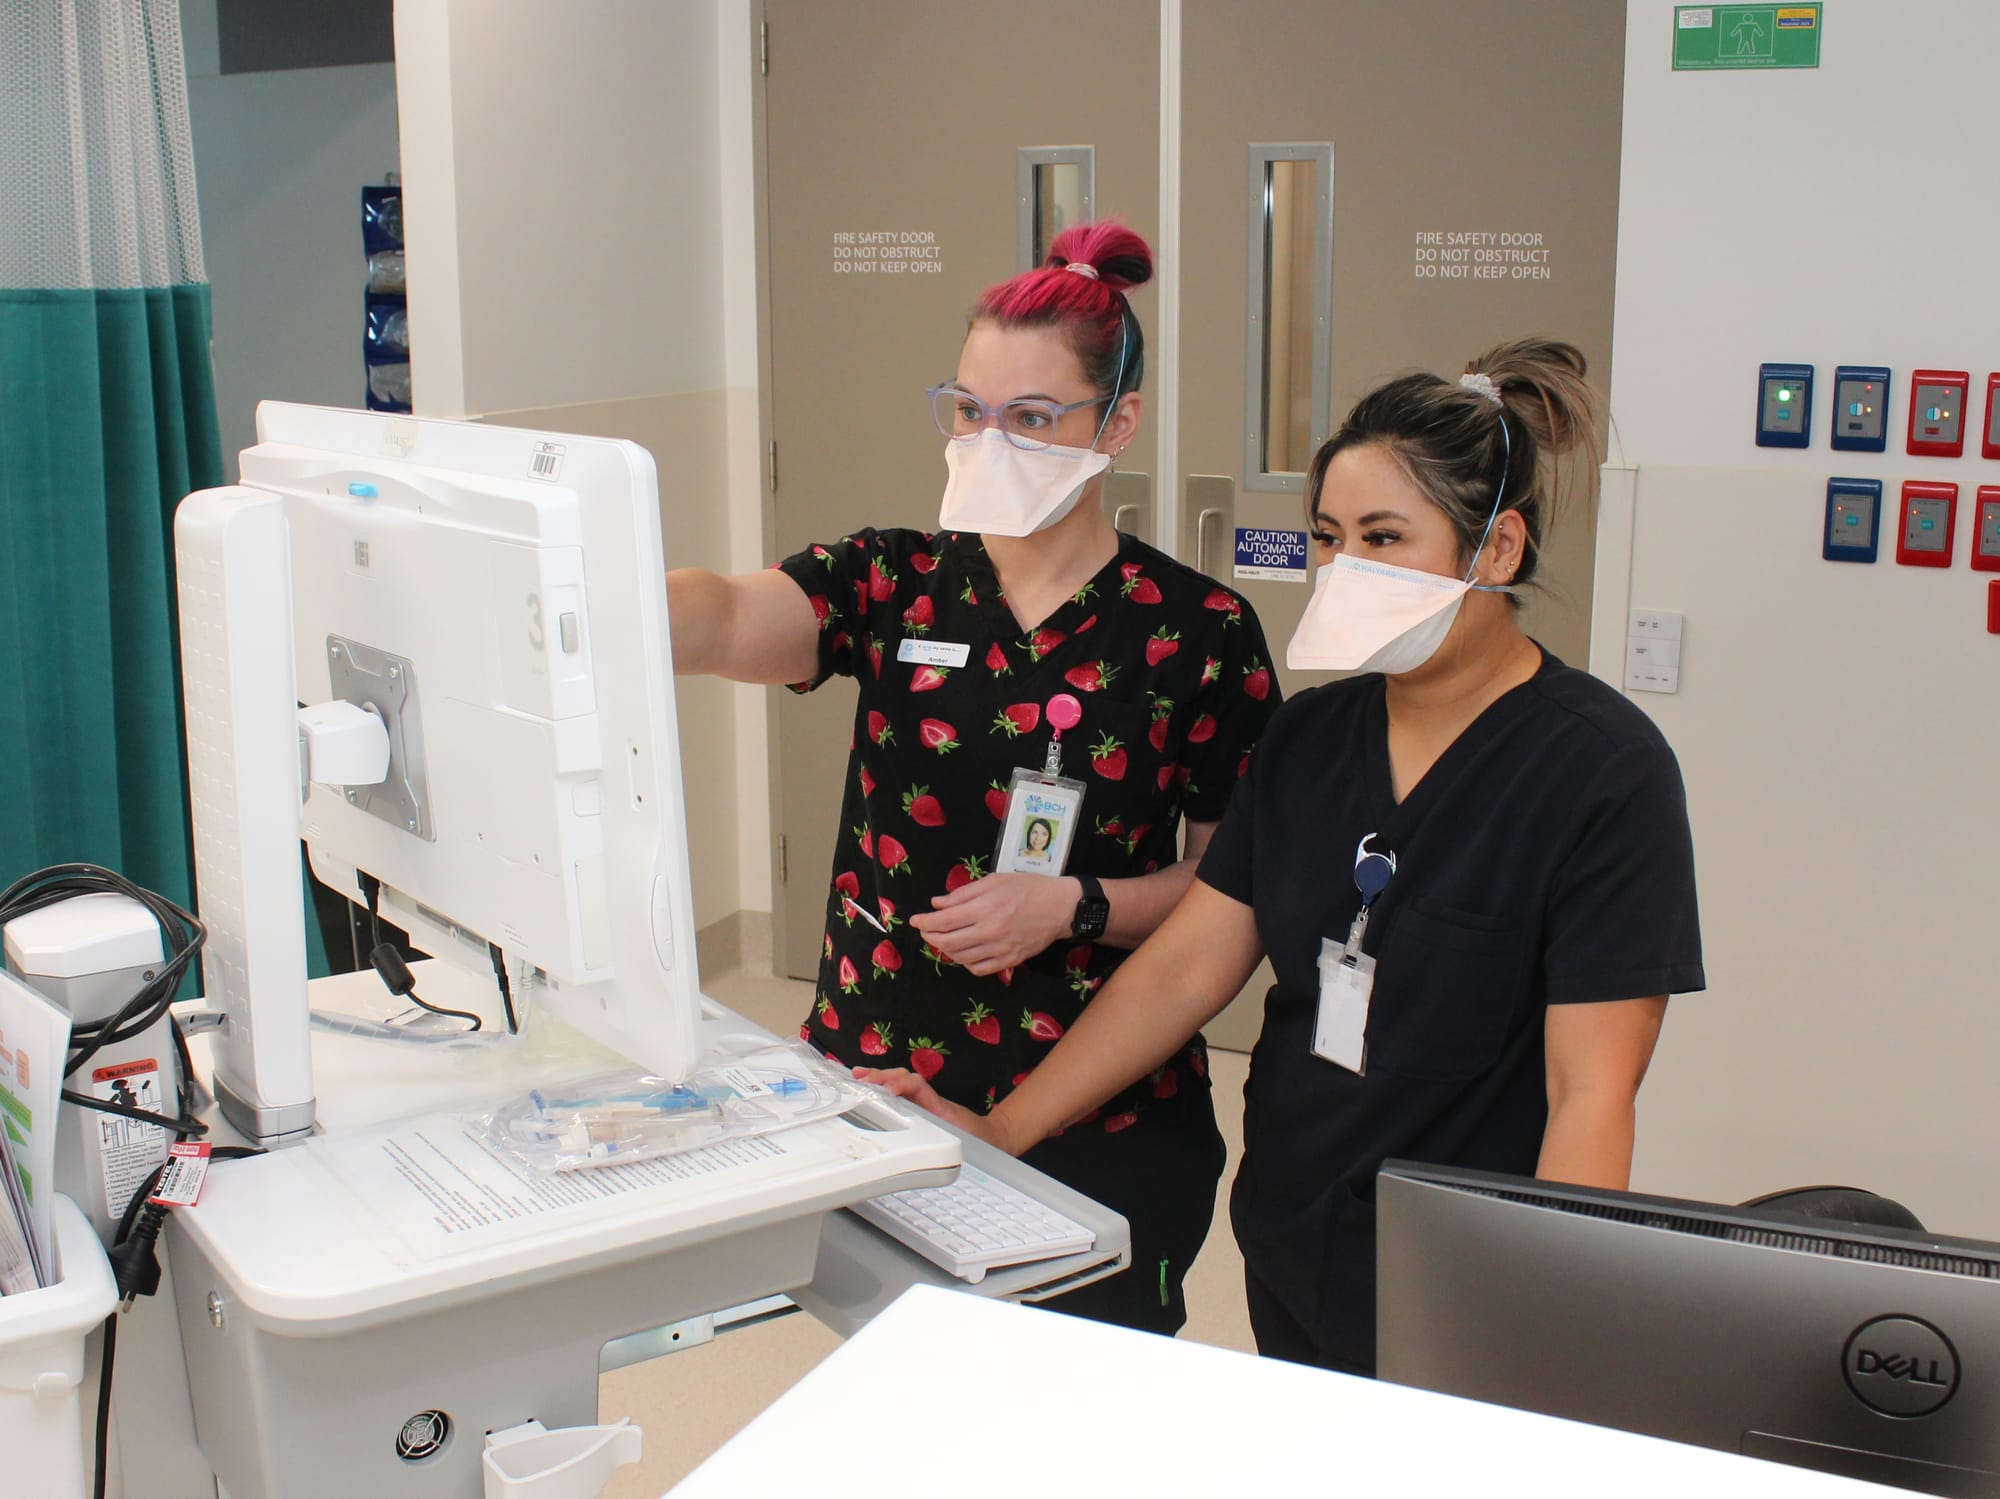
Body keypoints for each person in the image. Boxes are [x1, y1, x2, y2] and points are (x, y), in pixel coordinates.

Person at [864, 337, 1704, 1373]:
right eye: (1328, 536)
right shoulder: (1312, 737)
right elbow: (1184, 963)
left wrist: (1545, 1315)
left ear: (1494, 549)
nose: (1344, 568)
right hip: (1296, 1218)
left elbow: (1590, 1090)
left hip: (1467, 1265)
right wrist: (1003, 1128)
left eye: (1384, 537)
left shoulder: (1600, 772)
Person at [666, 221, 1281, 1335]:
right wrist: (568, 584)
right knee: (900, 1387)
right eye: (968, 410)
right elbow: (717, 617)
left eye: (1032, 418)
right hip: (881, 1090)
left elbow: (1226, 890)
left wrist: (1079, 903)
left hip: (1092, 1107)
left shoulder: (1198, 632)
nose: (989, 441)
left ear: (1117, 424)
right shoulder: (892, 580)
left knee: (1074, 1409)